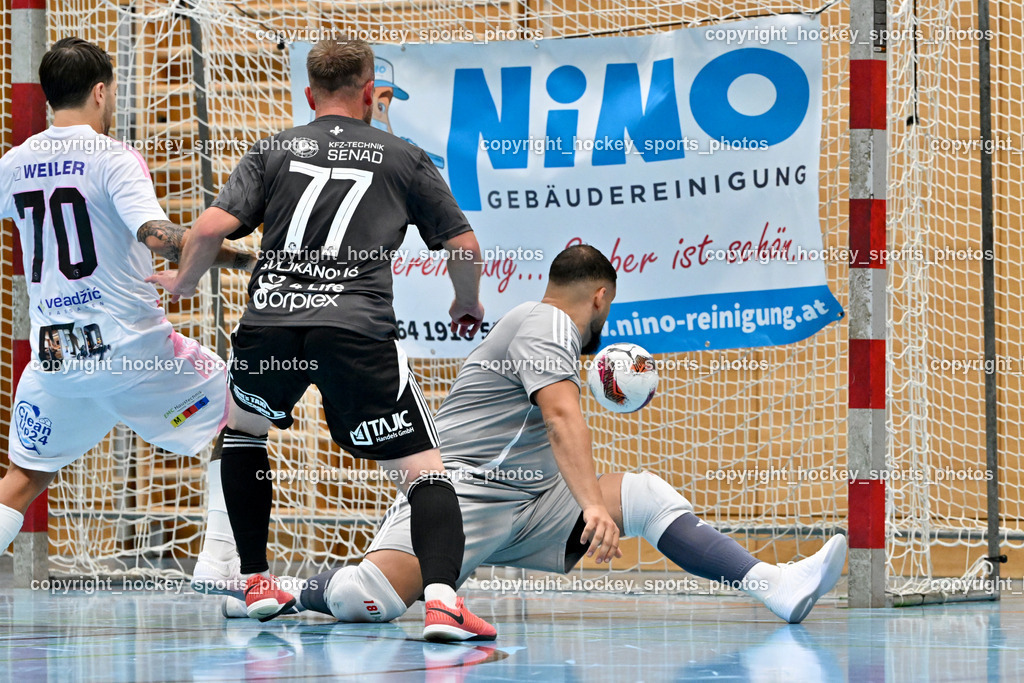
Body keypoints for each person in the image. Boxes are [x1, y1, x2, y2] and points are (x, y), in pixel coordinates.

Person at [221, 245, 848, 626]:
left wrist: (594, 501)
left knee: (649, 494)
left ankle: (775, 584)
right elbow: (561, 417)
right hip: (461, 500)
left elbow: (552, 429)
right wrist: (594, 507)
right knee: (371, 600)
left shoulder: (542, 328)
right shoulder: (544, 322)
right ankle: (284, 588)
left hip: (531, 502)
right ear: (600, 297)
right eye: (611, 306)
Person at [147, 38, 495, 641]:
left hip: (270, 327)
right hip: (355, 332)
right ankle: (441, 601)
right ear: (369, 94)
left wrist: (181, 280)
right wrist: (465, 302)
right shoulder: (404, 156)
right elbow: (463, 247)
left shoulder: (274, 149)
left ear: (309, 95)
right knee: (423, 469)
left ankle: (255, 579)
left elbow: (206, 227)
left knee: (245, 435)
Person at [0, 38, 255, 558]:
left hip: (57, 360)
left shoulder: (16, 161)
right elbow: (157, 235)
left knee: (24, 476)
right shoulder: (113, 157)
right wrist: (243, 258)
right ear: (100, 91)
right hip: (130, 351)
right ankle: (224, 566)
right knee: (244, 410)